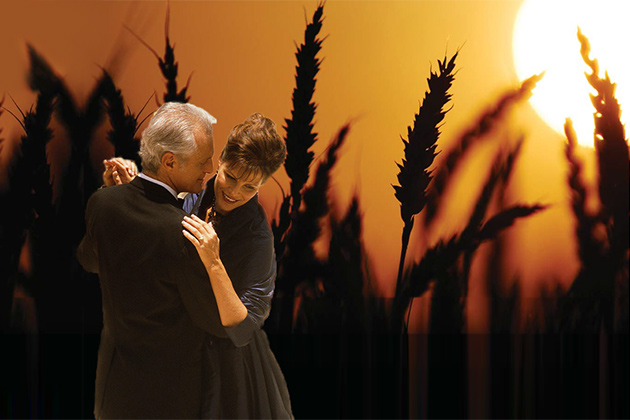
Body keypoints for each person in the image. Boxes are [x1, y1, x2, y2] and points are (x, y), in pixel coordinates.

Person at [101, 113, 293, 419]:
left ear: (262, 185)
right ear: (220, 161)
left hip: (228, 369)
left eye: (249, 188)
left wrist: (214, 263)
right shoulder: (194, 188)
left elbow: (242, 329)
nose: (234, 192)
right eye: (230, 176)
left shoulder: (258, 239)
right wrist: (127, 194)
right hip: (173, 347)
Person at [77, 102, 221, 419]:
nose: (210, 168)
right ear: (170, 162)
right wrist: (215, 262)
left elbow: (89, 260)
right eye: (203, 160)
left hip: (113, 395)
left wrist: (118, 194)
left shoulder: (103, 201)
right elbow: (215, 321)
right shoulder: (184, 232)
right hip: (172, 401)